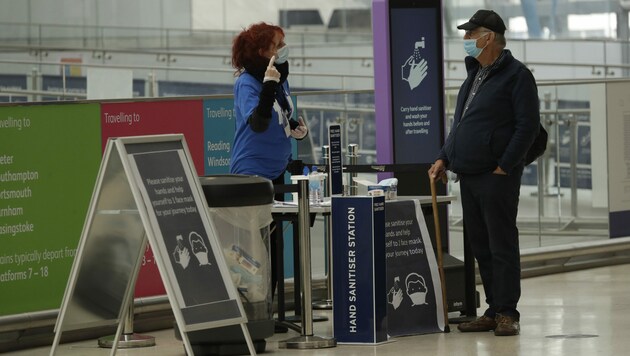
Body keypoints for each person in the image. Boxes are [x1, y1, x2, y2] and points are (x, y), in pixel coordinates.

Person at [428, 9, 540, 336]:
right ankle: (492, 308)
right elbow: (461, 124)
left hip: (496, 175)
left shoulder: (517, 76)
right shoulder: (475, 74)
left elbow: (528, 126)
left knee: (501, 243)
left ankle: (508, 312)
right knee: (481, 244)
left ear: (488, 37)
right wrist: (443, 157)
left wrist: (505, 165)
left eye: (470, 34)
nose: (465, 39)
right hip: (469, 173)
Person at [229, 22, 308, 332]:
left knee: (274, 248)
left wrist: (294, 129)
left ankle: (269, 313)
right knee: (253, 249)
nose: (282, 49)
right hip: (252, 172)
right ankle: (251, 314)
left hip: (277, 170)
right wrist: (269, 86)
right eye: (277, 45)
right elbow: (259, 123)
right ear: (262, 52)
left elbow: (280, 117)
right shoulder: (249, 83)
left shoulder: (278, 79)